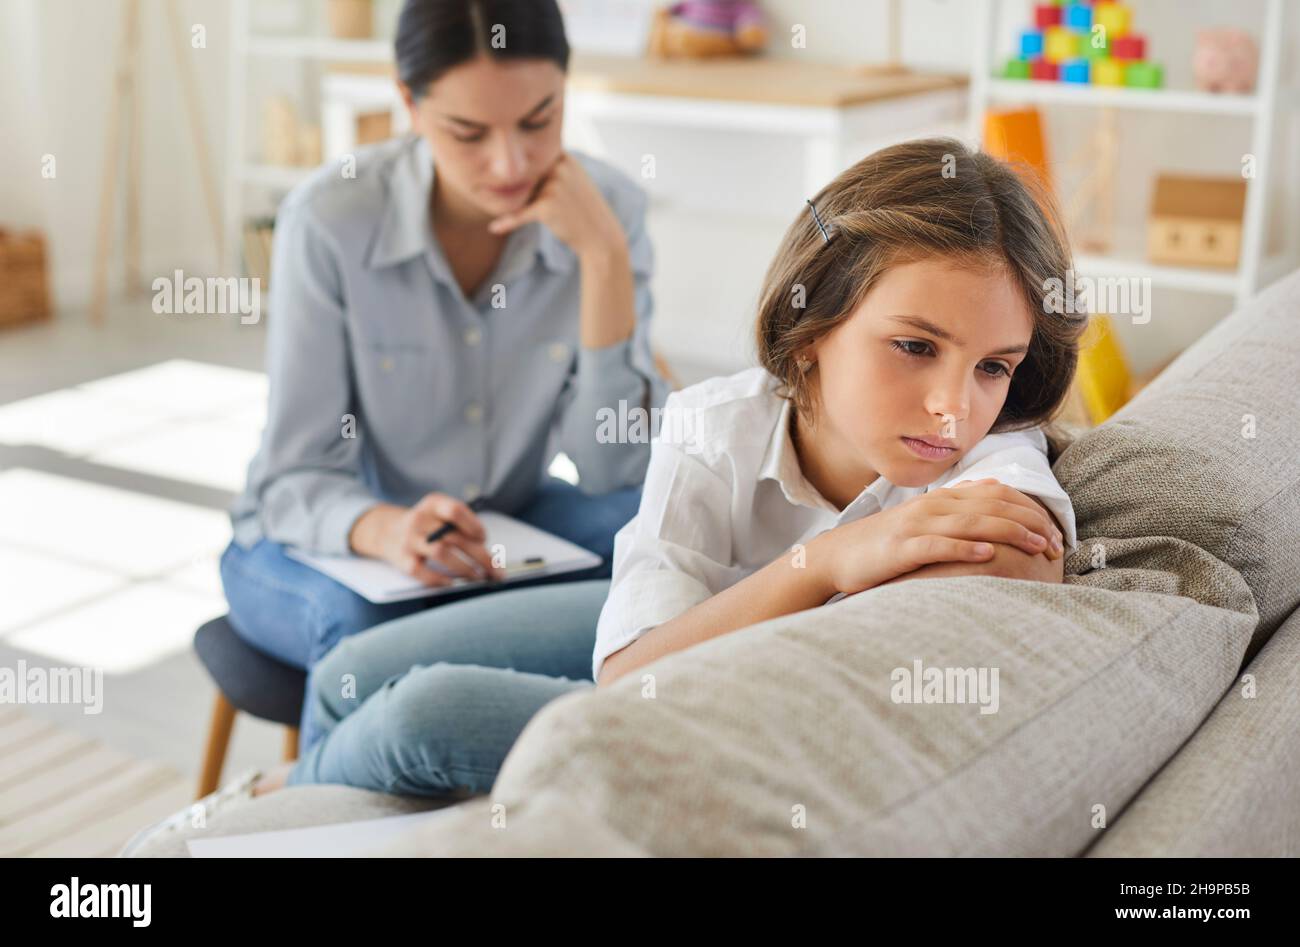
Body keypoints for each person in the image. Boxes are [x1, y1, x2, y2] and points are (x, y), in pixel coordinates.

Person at [225, 137, 1085, 808]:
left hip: (714, 725)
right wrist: (826, 562)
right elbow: (630, 663)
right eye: (914, 346)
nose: (953, 408)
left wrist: (808, 573)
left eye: (993, 365)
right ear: (813, 323)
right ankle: (285, 813)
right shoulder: (714, 425)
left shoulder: (995, 452)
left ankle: (263, 811)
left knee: (422, 712)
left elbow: (645, 693)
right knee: (359, 670)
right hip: (679, 653)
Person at [219, 0, 669, 738]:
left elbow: (613, 469)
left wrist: (604, 261)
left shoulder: (608, 208)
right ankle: (329, 814)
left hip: (501, 519)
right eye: (469, 132)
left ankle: (568, 787)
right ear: (409, 103)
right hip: (319, 540)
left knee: (660, 557)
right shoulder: (330, 220)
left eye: (538, 120)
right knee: (366, 631)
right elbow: (292, 476)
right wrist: (388, 528)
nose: (511, 163)